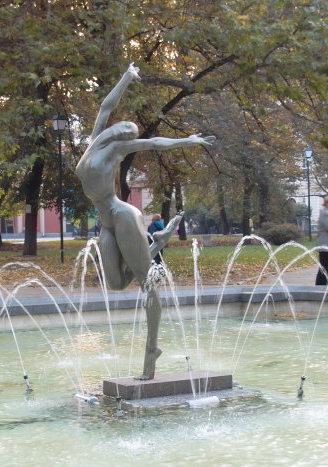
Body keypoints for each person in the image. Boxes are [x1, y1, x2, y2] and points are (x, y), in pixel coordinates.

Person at [75, 62, 215, 380]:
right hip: (106, 222)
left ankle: (152, 348)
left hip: (123, 215)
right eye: (125, 129)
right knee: (115, 283)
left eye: (129, 133)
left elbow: (154, 143)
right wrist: (127, 76)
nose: (125, 132)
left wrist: (186, 141)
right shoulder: (95, 142)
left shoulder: (117, 149)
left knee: (146, 282)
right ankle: (159, 242)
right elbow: (106, 105)